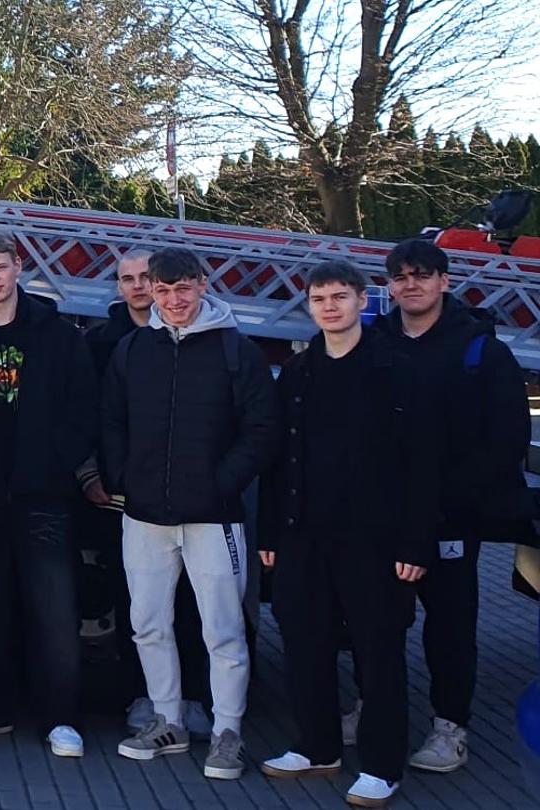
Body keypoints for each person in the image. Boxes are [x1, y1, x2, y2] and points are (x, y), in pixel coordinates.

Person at [257, 261, 435, 808]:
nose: (329, 306)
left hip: (375, 540)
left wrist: (415, 543)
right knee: (305, 642)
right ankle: (317, 746)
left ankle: (382, 765)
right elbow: (278, 460)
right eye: (319, 298)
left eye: (340, 296)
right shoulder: (300, 371)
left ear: (364, 300)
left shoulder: (396, 368)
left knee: (378, 652)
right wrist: (270, 531)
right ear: (308, 305)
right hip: (302, 535)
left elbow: (423, 464)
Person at [102, 247, 277, 780]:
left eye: (183, 288)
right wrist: (125, 480)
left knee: (222, 629)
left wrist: (221, 485)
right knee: (147, 623)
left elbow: (261, 429)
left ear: (204, 285)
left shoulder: (236, 351)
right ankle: (167, 720)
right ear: (149, 291)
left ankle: (227, 731)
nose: (174, 300)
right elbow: (112, 421)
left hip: (214, 518)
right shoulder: (133, 350)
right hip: (145, 516)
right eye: (163, 289)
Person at [369, 238, 530, 774]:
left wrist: (455, 500)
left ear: (444, 281)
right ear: (388, 286)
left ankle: (449, 728)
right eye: (399, 276)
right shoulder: (373, 344)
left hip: (450, 517)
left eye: (421, 274)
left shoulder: (481, 351)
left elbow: (505, 439)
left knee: (450, 627)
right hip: (385, 517)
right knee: (374, 623)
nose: (409, 284)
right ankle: (371, 709)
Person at [0, 229, 97, 758]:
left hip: (43, 496)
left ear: (18, 267)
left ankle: (61, 719)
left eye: (1, 267)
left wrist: (54, 464)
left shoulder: (56, 334)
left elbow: (84, 409)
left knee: (53, 611)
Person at [83, 252, 218, 739]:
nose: (140, 286)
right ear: (118, 287)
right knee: (135, 601)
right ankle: (143, 695)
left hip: (193, 498)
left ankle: (196, 697)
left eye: (148, 278)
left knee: (193, 602)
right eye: (129, 279)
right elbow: (100, 417)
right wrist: (105, 475)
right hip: (128, 497)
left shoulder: (210, 342)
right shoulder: (102, 343)